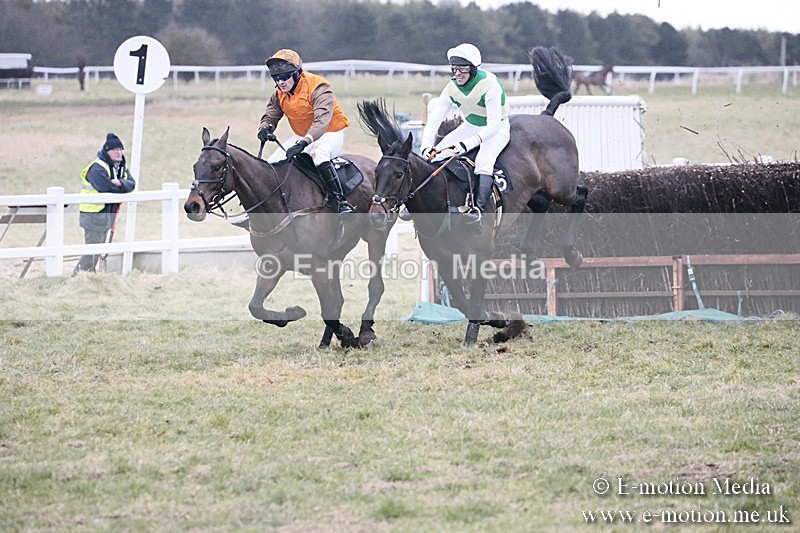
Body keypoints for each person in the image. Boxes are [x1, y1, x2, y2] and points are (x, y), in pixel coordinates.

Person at [420, 43, 510, 224]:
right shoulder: (451, 87)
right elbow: (434, 120)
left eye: (463, 68)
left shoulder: (489, 84)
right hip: (471, 126)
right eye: (454, 69)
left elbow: (492, 125)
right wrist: (426, 146)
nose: (458, 73)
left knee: (484, 163)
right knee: (435, 156)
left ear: (474, 69)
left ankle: (478, 209)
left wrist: (468, 144)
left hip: (496, 129)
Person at [257, 48, 355, 216]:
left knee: (319, 154)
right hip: (303, 136)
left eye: (284, 77)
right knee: (271, 163)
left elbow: (322, 121)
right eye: (276, 78)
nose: (280, 82)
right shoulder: (279, 94)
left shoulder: (318, 87)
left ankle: (341, 203)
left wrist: (304, 142)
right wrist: (265, 127)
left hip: (330, 133)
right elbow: (271, 114)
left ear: (297, 73)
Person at [72, 133, 135, 275]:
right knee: (91, 250)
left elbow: (132, 184)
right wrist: (121, 188)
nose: (119, 152)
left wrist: (120, 183)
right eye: (115, 149)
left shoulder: (120, 168)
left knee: (97, 249)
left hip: (106, 216)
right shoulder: (97, 167)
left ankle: (86, 276)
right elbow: (106, 187)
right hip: (92, 214)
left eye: (120, 149)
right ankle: (79, 275)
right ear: (107, 151)